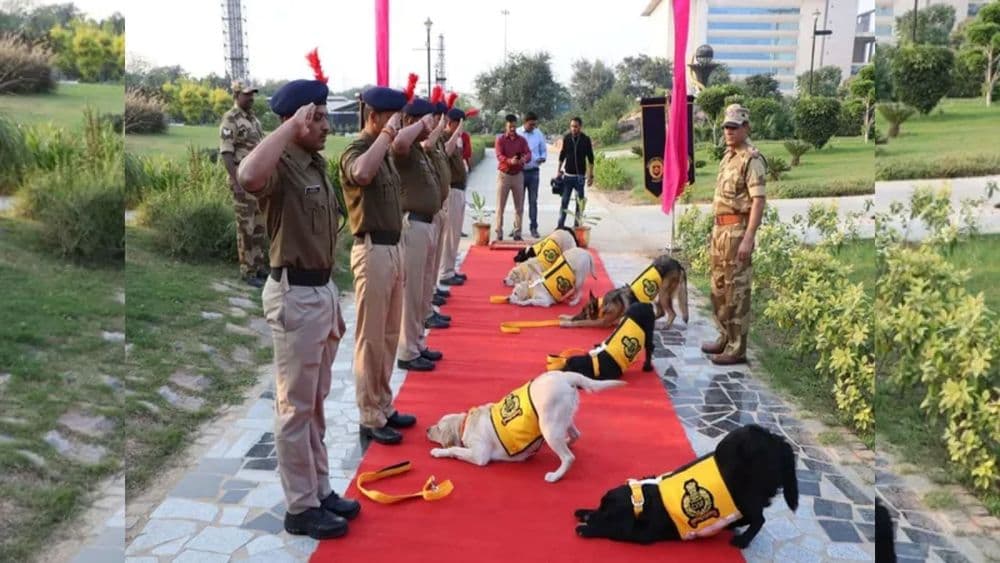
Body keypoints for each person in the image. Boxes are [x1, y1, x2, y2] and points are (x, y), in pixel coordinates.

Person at [237, 77, 360, 539]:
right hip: (294, 295)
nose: (327, 125)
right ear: (296, 120)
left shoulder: (311, 163)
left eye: (325, 116)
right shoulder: (283, 162)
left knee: (314, 405)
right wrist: (289, 129)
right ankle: (300, 508)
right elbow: (248, 177)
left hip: (319, 293)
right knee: (294, 409)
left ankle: (320, 490)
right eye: (319, 118)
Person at [338, 86, 422, 446]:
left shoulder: (384, 152)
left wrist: (389, 137)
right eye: (391, 118)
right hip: (371, 251)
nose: (398, 124)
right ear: (373, 117)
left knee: (389, 335)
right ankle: (369, 414)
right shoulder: (358, 150)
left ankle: (383, 403)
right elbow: (360, 173)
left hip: (393, 249)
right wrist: (385, 136)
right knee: (371, 339)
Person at [700, 104, 766, 366]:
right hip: (720, 232)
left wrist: (749, 237)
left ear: (746, 128)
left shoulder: (752, 159)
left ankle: (737, 348)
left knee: (736, 292)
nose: (729, 131)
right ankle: (724, 337)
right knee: (718, 289)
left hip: (738, 233)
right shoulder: (728, 157)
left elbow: (758, 201)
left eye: (734, 127)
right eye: (726, 127)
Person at [393, 96, 447, 373]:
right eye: (427, 119)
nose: (432, 125)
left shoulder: (419, 150)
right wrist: (417, 125)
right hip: (412, 225)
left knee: (424, 288)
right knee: (412, 292)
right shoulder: (405, 147)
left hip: (426, 223)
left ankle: (417, 343)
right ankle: (407, 350)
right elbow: (399, 142)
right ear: (412, 121)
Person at [219, 80, 267, 287]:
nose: (251, 98)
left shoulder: (254, 120)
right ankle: (247, 271)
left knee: (258, 226)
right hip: (241, 182)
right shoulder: (231, 119)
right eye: (247, 94)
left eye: (253, 94)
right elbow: (227, 153)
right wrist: (236, 181)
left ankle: (258, 266)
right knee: (245, 227)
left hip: (256, 182)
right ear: (236, 95)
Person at [425, 95, 463, 324]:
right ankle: (426, 308)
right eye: (435, 119)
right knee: (426, 267)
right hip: (420, 217)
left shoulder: (437, 141)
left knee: (438, 252)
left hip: (438, 204)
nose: (436, 123)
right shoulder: (427, 142)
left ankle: (431, 295)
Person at [439, 107, 469, 285]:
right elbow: (445, 153)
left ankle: (449, 269)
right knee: (449, 235)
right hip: (450, 190)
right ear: (451, 123)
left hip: (458, 189)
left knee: (455, 233)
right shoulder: (444, 139)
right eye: (459, 124)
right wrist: (456, 134)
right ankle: (445, 272)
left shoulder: (456, 140)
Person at [493, 114, 531, 241]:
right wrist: (510, 161)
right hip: (504, 175)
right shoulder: (500, 140)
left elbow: (528, 152)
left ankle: (517, 232)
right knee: (500, 206)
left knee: (519, 206)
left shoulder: (522, 140)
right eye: (510, 126)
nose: (512, 129)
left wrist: (524, 159)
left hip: (518, 176)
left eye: (514, 126)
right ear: (506, 126)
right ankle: (499, 231)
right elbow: (499, 155)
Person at [556, 117, 595, 229]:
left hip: (580, 178)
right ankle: (560, 225)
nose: (573, 129)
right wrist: (558, 170)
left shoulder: (585, 139)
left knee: (579, 203)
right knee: (564, 202)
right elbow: (562, 155)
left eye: (576, 126)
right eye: (572, 126)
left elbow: (591, 158)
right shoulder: (567, 138)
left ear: (580, 127)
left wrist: (590, 175)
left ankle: (577, 226)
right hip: (567, 177)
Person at [517, 111, 547, 239]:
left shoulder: (539, 133)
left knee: (533, 201)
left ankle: (533, 227)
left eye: (535, 124)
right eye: (531, 124)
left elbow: (543, 150)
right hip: (520, 172)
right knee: (519, 201)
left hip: (534, 171)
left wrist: (542, 158)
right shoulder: (518, 133)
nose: (533, 127)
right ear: (525, 123)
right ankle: (517, 228)